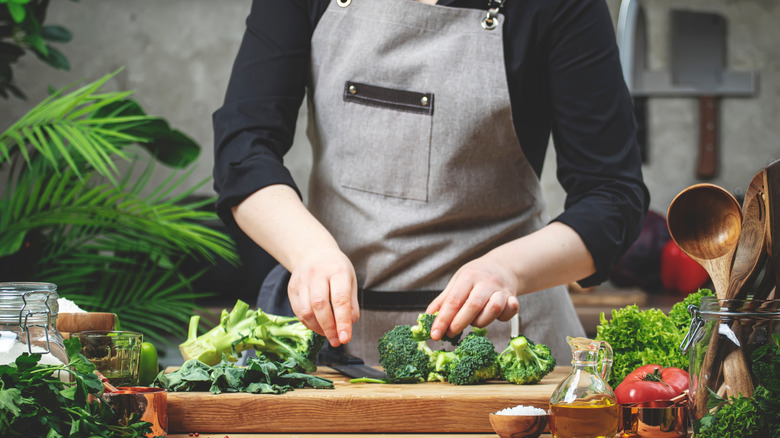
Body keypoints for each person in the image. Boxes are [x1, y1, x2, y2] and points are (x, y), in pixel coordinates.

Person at [213, 0, 649, 364]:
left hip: (499, 344)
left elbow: (612, 196)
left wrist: (505, 269)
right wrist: (310, 253)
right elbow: (243, 149)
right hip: (322, 344)